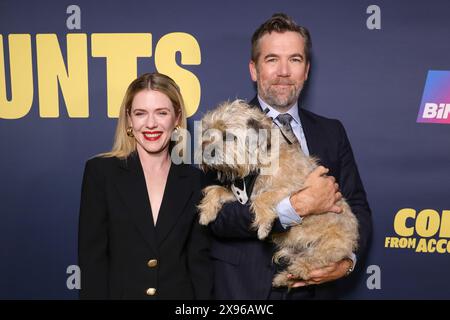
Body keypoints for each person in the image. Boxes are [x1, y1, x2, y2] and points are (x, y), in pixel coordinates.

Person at [208, 13, 372, 299]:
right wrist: (295, 207)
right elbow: (219, 218)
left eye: (294, 60)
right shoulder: (225, 126)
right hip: (244, 292)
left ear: (306, 70)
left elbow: (357, 205)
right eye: (272, 59)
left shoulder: (332, 131)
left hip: (317, 289)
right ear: (254, 70)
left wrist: (346, 262)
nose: (284, 71)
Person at [78, 72, 212, 299]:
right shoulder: (100, 173)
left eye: (162, 113)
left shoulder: (197, 181)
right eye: (141, 113)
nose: (151, 124)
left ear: (177, 118)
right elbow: (92, 264)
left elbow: (200, 267)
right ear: (129, 119)